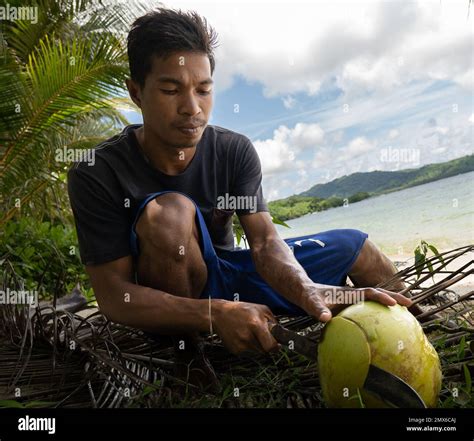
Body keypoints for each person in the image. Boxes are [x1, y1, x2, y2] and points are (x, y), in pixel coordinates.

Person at [67, 8, 413, 387]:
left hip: (233, 272)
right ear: (136, 92)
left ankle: (417, 336)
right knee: (170, 215)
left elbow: (265, 242)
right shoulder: (96, 172)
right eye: (171, 90)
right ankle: (190, 359)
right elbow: (116, 297)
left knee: (357, 244)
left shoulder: (233, 150)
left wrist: (305, 288)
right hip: (175, 298)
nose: (192, 108)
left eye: (203, 89)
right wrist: (213, 314)